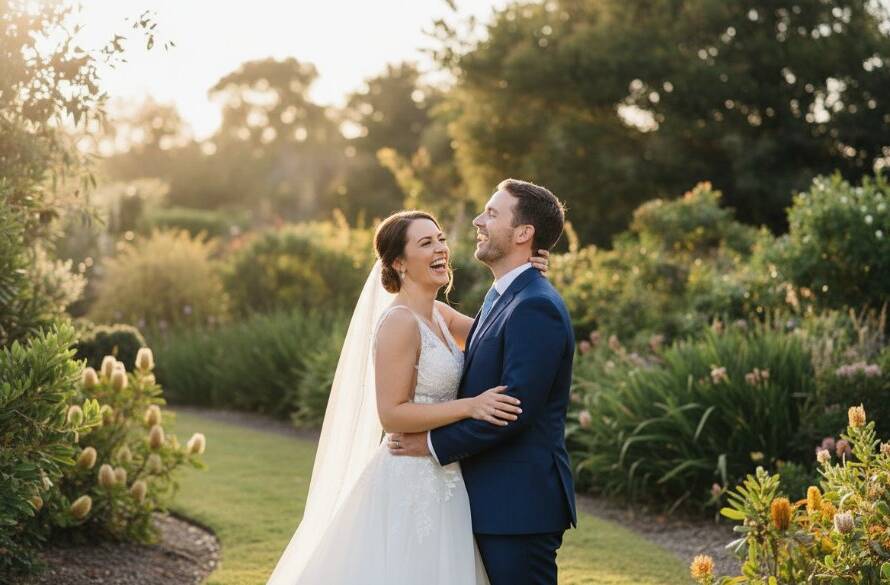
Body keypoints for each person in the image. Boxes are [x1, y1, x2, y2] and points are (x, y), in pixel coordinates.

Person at [266, 194, 557, 584]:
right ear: (399, 263)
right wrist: (469, 406)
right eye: (426, 243)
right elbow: (391, 414)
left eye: (440, 239)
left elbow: (503, 334)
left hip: (447, 478)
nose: (441, 248)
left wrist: (526, 279)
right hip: (408, 476)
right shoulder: (399, 322)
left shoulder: (441, 314)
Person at [389, 179, 577, 585]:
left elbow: (513, 412)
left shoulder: (535, 305)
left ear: (523, 234)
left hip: (518, 506)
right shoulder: (503, 296)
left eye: (492, 213)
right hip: (486, 498)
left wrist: (431, 444)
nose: (478, 220)